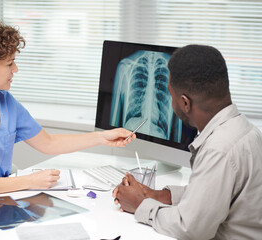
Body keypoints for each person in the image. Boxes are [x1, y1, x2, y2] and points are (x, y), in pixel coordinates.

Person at [0, 17, 135, 202]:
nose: (16, 70)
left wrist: (102, 137)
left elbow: (48, 143)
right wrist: (30, 181)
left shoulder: (5, 102)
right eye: (9, 64)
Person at [112, 45, 262, 239]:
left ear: (185, 102)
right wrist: (160, 195)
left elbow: (190, 228)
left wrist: (140, 205)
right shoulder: (245, 130)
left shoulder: (218, 149)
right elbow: (214, 193)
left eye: (170, 95)